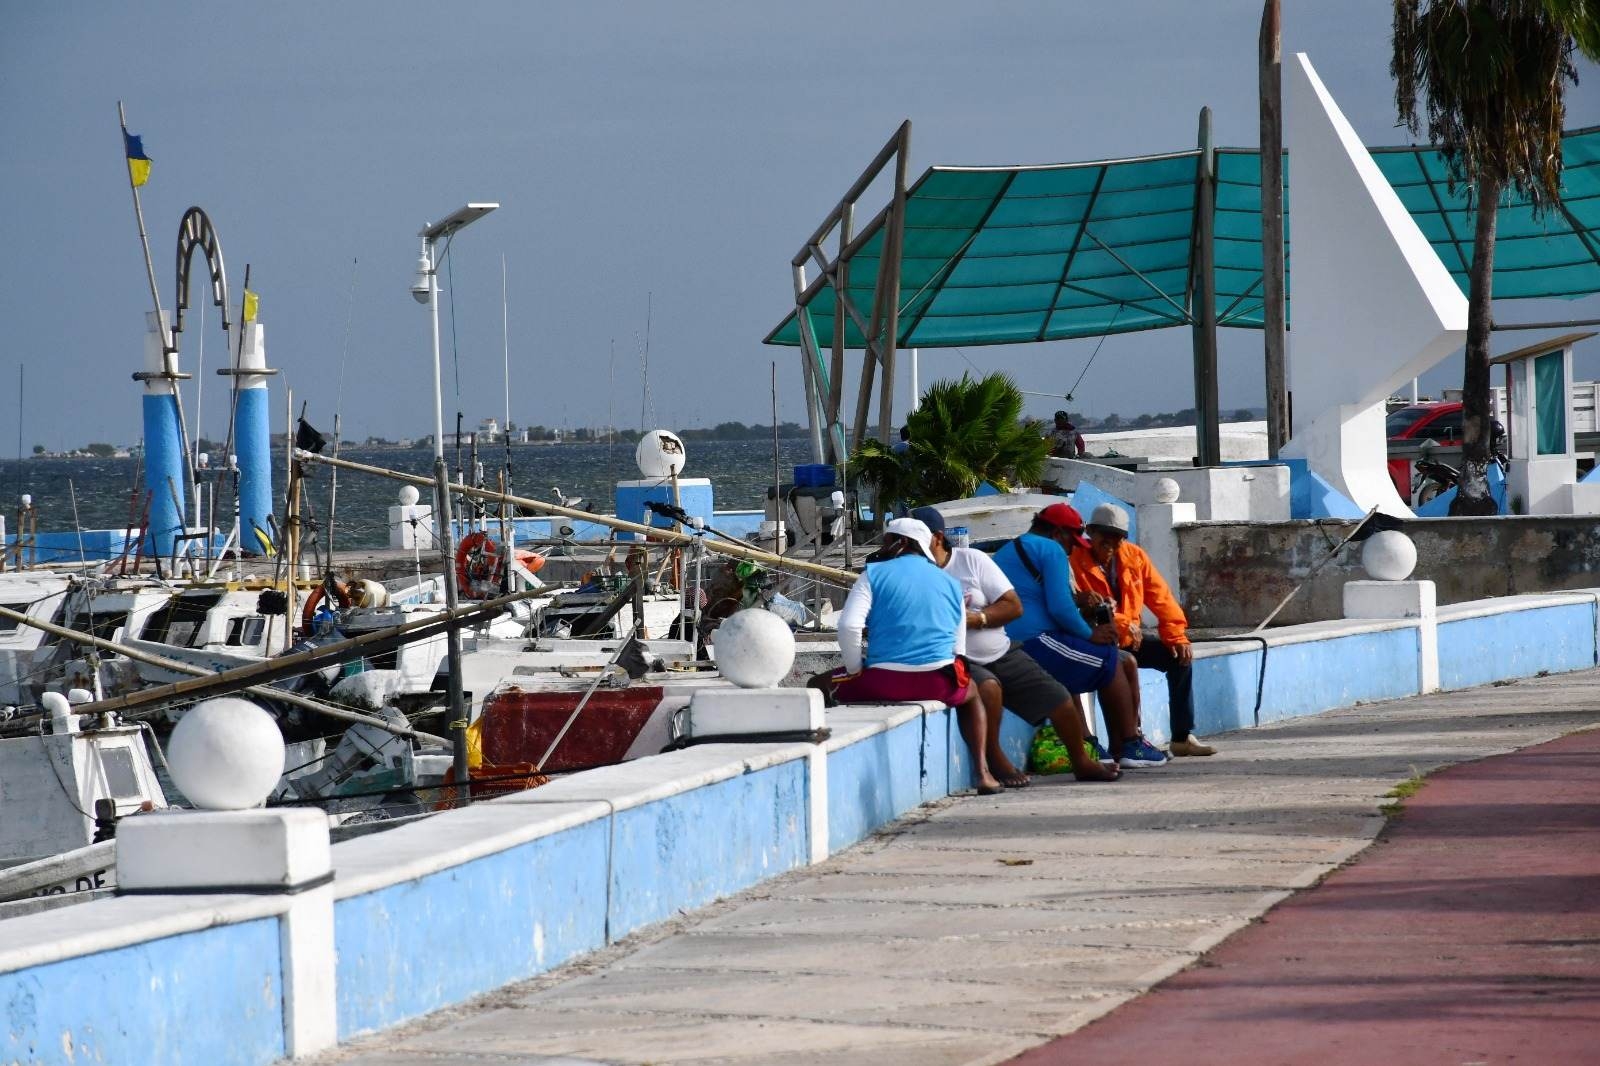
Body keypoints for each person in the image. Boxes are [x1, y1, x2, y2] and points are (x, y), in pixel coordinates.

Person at [910, 507, 1118, 786]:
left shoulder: (972, 560)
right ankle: (993, 757)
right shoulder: (911, 574)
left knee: (1060, 699)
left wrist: (977, 619)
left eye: (912, 540)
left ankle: (1082, 761)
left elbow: (1013, 605)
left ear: (936, 538)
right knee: (989, 688)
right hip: (955, 658)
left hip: (1002, 649)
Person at [824, 517, 1004, 794]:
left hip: (880, 682)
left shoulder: (872, 574)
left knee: (818, 686)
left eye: (887, 540)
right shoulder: (950, 582)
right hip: (939, 683)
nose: (883, 546)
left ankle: (829, 775)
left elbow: (849, 626)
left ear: (903, 542)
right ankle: (982, 772)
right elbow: (958, 648)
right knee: (973, 694)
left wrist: (854, 668)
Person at [993, 503, 1169, 769]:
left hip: (1018, 637)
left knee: (1110, 660)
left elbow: (1046, 598)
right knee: (1108, 658)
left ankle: (1113, 744)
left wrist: (1080, 603)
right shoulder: (1051, 549)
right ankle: (1129, 744)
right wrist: (1090, 634)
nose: (1073, 548)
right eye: (1071, 540)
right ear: (1058, 533)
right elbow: (1060, 607)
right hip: (1034, 638)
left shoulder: (1013, 548)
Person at [1070, 502, 1217, 757]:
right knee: (1121, 665)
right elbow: (1086, 607)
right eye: (1104, 536)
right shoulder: (1074, 559)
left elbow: (1161, 597)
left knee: (1179, 658)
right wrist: (1126, 624)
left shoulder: (1134, 556)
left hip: (1128, 639)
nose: (1110, 543)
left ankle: (1182, 737)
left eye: (1117, 538)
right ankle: (1129, 741)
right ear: (1090, 533)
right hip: (1093, 640)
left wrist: (1176, 636)